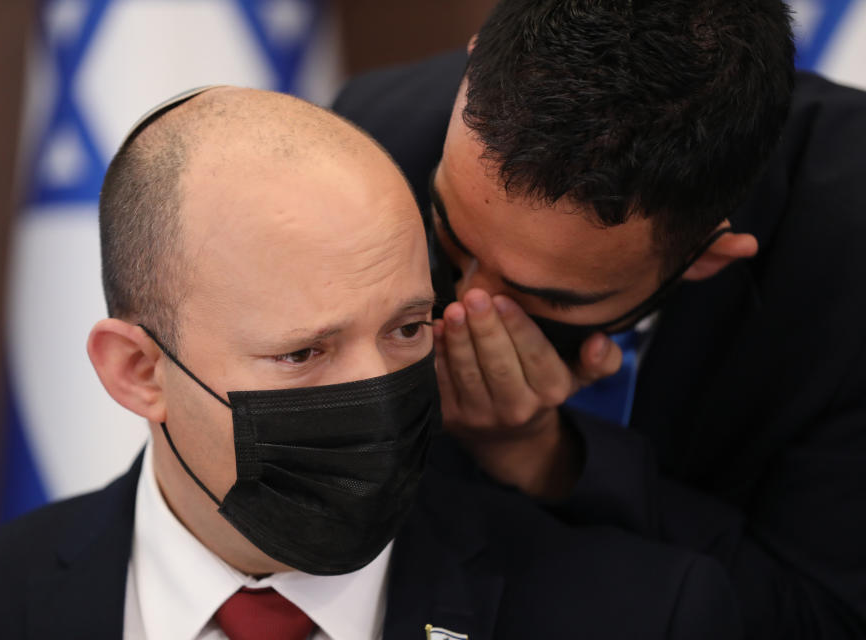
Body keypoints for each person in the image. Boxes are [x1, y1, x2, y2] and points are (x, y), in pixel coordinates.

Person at [0, 87, 740, 638]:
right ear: (138, 372)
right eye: (303, 352)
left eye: (407, 330)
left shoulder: (641, 615)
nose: (374, 392)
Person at [333, 0, 866, 637]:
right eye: (452, 234)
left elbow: (817, 616)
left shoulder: (847, 268)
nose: (471, 303)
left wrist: (545, 458)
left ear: (707, 256)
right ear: (474, 65)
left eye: (553, 297)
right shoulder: (366, 144)